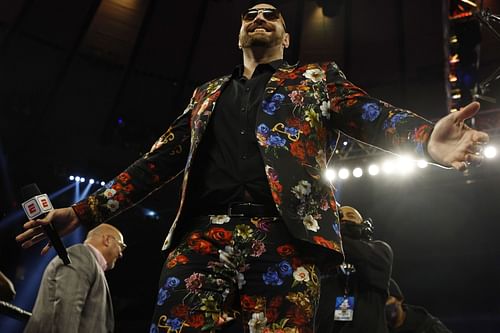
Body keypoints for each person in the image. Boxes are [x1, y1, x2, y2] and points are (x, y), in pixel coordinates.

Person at [16, 3, 488, 332]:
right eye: (250, 15)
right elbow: (156, 161)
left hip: (285, 240)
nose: (259, 19)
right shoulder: (207, 94)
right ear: (240, 33)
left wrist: (426, 139)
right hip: (203, 236)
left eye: (271, 15)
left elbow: (374, 115)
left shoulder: (315, 81)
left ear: (286, 35)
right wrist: (82, 213)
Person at [23, 223, 126, 333]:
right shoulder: (81, 256)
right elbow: (66, 311)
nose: (121, 254)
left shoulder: (89, 262)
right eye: (121, 246)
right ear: (107, 240)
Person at [317, 206, 393, 333]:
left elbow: (357, 252)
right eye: (340, 217)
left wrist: (329, 233)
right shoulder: (326, 257)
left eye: (351, 216)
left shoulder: (381, 250)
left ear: (364, 225)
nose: (345, 219)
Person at [386, 279, 452, 333]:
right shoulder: (380, 327)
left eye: (387, 299)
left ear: (399, 299)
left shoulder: (426, 325)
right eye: (380, 301)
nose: (384, 304)